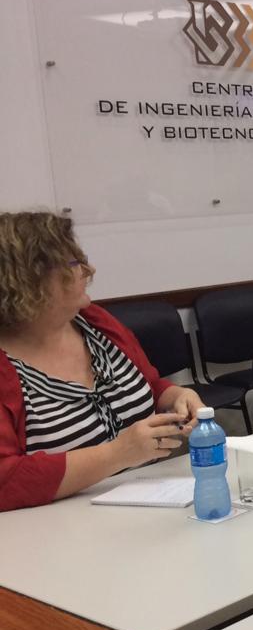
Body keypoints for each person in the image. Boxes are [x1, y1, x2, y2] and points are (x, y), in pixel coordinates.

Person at [0, 212, 204, 512]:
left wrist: (178, 396)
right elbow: (6, 480)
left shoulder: (95, 323)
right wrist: (117, 454)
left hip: (157, 507)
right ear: (29, 281)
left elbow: (148, 385)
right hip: (59, 535)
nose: (88, 270)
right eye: (73, 264)